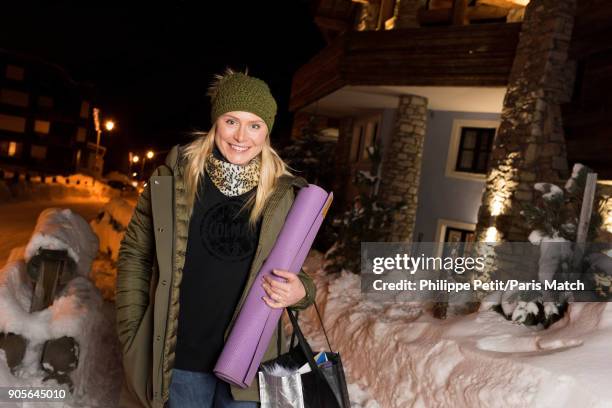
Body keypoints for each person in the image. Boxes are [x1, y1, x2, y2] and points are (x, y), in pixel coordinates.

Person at [116, 69, 317, 408]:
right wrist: (133, 330)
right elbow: (135, 254)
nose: (242, 136)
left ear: (267, 132)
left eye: (255, 125)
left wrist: (301, 291)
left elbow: (296, 272)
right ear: (215, 123)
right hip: (181, 362)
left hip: (248, 364)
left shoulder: (284, 195)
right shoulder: (173, 180)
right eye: (231, 121)